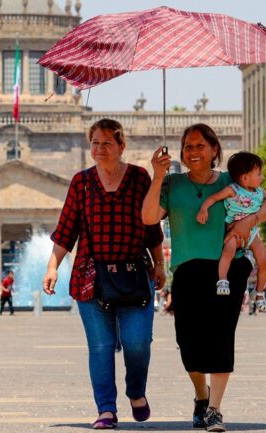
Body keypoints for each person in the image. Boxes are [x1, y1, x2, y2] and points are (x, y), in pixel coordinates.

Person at [142, 124, 266, 432]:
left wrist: (249, 220)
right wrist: (158, 175)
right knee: (187, 341)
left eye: (200, 146)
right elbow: (149, 217)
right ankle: (201, 395)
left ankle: (215, 409)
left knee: (221, 335)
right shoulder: (173, 183)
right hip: (187, 269)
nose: (194, 152)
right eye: (188, 146)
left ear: (215, 150)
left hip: (228, 267)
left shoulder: (234, 180)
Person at [43, 118, 166, 430]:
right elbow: (66, 229)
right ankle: (106, 409)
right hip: (91, 277)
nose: (99, 149)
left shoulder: (139, 178)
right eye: (95, 143)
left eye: (107, 143)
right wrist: (52, 266)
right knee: (100, 346)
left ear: (121, 146)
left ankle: (136, 391)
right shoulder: (81, 182)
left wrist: (160, 264)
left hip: (135, 274)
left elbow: (151, 226)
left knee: (137, 342)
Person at [197, 151, 266, 308]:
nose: (262, 177)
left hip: (252, 232)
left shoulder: (259, 193)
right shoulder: (232, 190)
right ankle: (222, 280)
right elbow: (213, 198)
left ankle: (260, 293)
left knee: (264, 260)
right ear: (245, 177)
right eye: (259, 174)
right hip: (234, 231)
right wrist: (203, 209)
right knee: (228, 252)